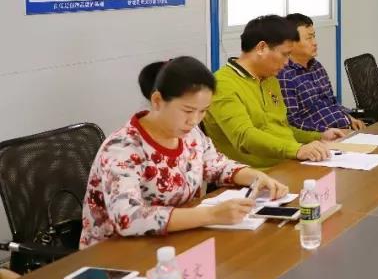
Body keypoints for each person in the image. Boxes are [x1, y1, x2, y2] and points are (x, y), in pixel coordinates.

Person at [80, 57, 289, 248]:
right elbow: (129, 217)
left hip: (176, 240)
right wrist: (210, 215)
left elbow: (217, 166)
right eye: (187, 111)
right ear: (157, 101)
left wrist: (257, 177)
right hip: (118, 253)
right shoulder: (123, 148)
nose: (194, 120)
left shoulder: (190, 134)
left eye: (203, 111)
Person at [204, 15, 347, 169]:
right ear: (261, 48)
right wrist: (296, 150)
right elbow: (244, 137)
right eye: (284, 54)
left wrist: (319, 136)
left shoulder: (270, 79)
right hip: (258, 174)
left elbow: (282, 129)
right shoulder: (223, 84)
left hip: (289, 163)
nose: (287, 62)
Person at [278, 13, 365, 132]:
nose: (315, 42)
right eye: (309, 38)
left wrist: (349, 118)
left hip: (345, 129)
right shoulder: (285, 76)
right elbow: (293, 122)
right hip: (323, 137)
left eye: (314, 36)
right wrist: (327, 132)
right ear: (290, 43)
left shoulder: (317, 67)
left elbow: (332, 102)